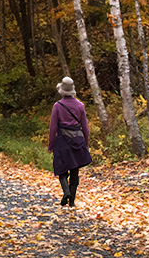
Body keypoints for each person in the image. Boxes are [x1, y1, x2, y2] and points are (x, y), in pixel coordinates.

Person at [47, 77, 92, 207]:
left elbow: (53, 127)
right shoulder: (80, 105)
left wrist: (51, 144)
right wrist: (86, 142)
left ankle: (66, 191)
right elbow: (85, 127)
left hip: (62, 140)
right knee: (74, 171)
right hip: (78, 140)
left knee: (61, 168)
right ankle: (71, 201)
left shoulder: (57, 106)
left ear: (62, 91)